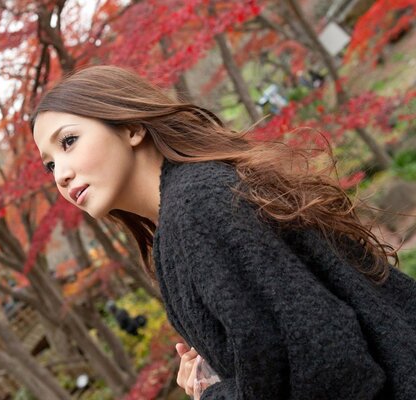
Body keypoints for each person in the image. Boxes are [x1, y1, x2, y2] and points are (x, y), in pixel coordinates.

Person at [32, 65, 416, 399]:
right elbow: (276, 349)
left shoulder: (197, 204)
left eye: (69, 141)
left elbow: (326, 359)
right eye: (49, 165)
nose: (61, 174)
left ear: (132, 127)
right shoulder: (177, 222)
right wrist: (219, 371)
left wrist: (214, 392)